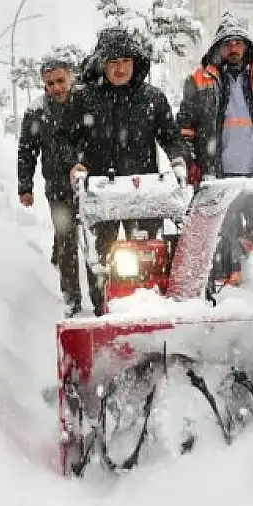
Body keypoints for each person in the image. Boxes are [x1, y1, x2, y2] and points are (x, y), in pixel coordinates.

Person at [67, 27, 189, 316]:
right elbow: (66, 138)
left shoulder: (152, 99)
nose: (120, 68)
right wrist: (76, 162)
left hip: (143, 192)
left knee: (147, 258)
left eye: (126, 61)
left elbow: (171, 137)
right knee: (102, 262)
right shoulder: (84, 99)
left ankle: (146, 312)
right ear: (101, 64)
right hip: (100, 193)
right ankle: (103, 313)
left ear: (136, 63)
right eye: (112, 62)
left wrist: (178, 160)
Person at [176, 11, 253, 284]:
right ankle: (227, 292)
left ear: (247, 46)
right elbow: (184, 128)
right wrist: (189, 162)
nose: (233, 48)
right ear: (218, 47)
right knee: (220, 241)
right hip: (218, 177)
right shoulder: (198, 81)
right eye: (227, 43)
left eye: (238, 42)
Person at [17, 55, 81, 315]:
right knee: (68, 240)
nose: (56, 87)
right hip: (57, 186)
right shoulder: (36, 112)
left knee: (91, 237)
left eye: (61, 81)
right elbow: (26, 150)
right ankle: (71, 297)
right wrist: (25, 186)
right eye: (50, 83)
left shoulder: (85, 104)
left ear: (71, 78)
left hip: (90, 183)